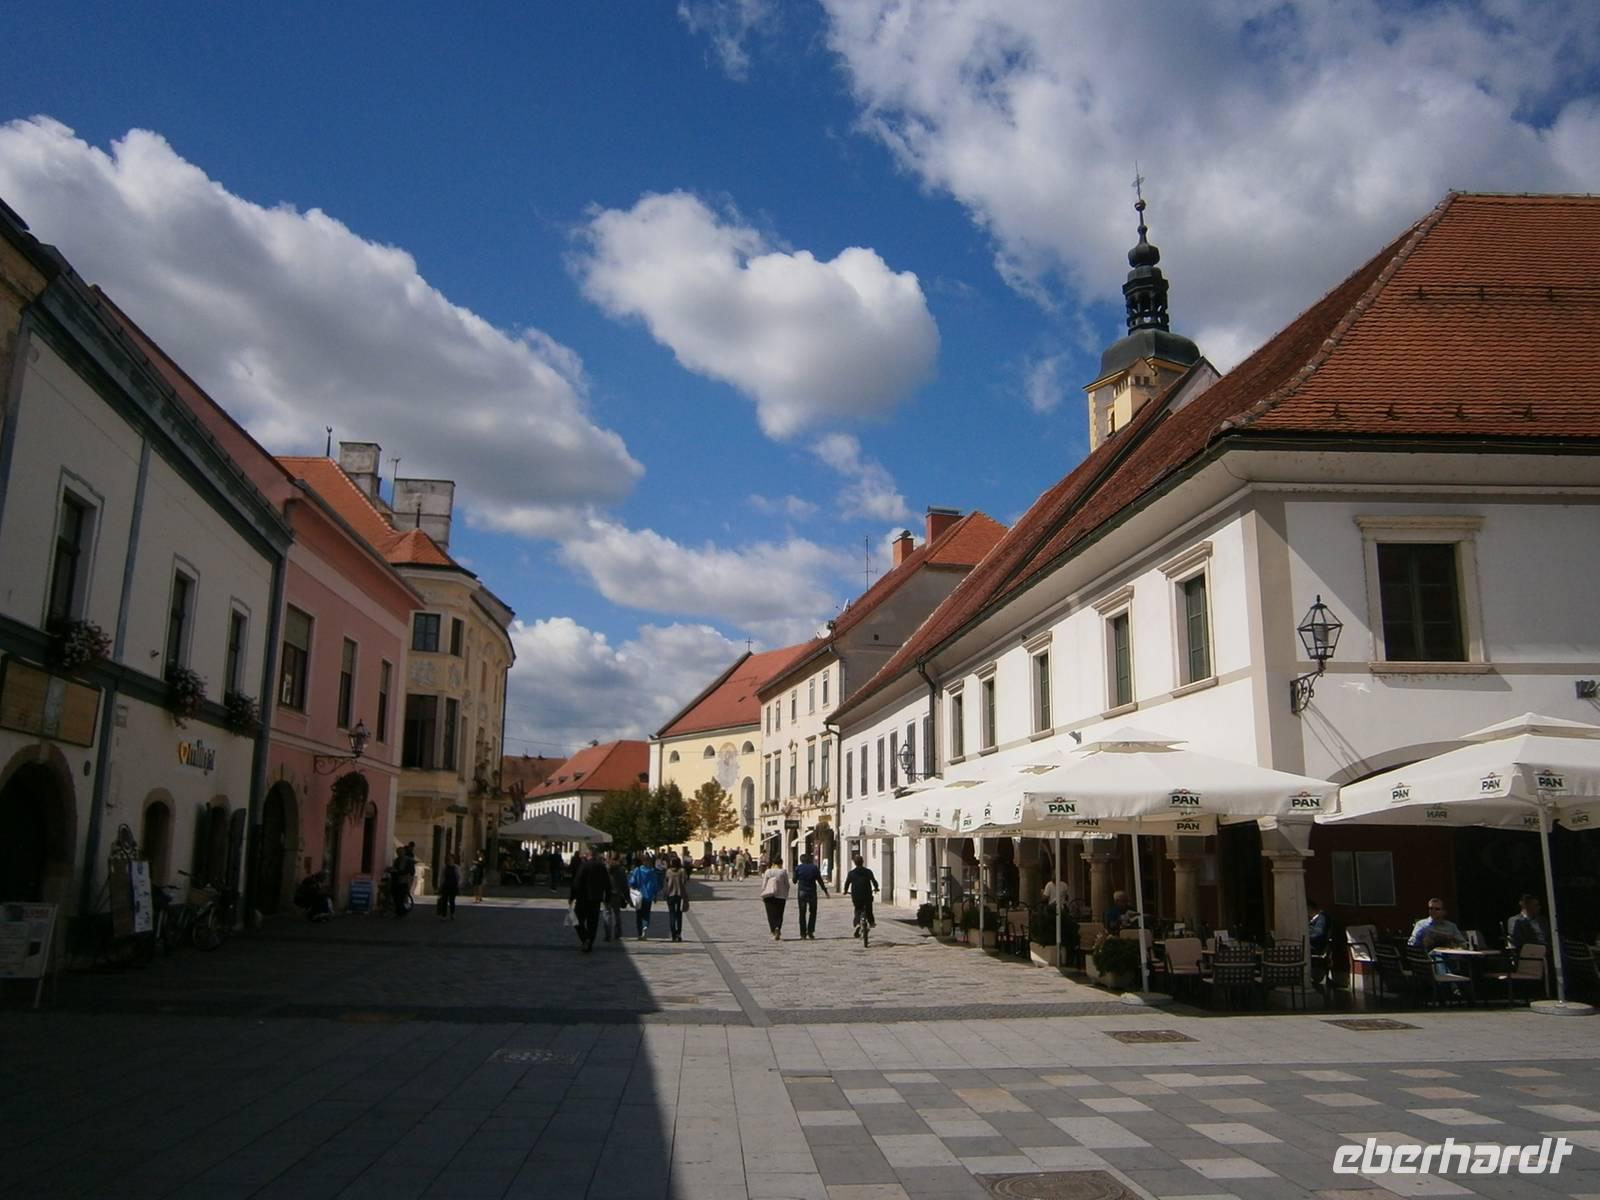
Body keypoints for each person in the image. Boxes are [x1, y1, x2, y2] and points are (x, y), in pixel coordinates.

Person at [569, 848, 611, 953]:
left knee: (577, 920)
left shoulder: (584, 866)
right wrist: (608, 897)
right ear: (595, 856)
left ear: (587, 856)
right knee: (593, 923)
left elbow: (576, 882)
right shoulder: (602, 867)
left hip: (583, 898)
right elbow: (607, 883)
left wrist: (572, 896)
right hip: (596, 899)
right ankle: (589, 943)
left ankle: (585, 938)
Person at [842, 853, 879, 937]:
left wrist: (845, 891)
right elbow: (874, 881)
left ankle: (858, 923)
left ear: (855, 863)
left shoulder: (851, 873)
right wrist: (876, 888)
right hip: (867, 895)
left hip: (856, 896)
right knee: (869, 909)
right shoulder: (868, 871)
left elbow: (847, 883)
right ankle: (871, 922)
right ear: (863, 862)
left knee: (858, 909)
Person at [793, 851, 828, 939]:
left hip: (802, 892)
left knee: (802, 913)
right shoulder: (814, 868)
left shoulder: (798, 868)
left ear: (801, 860)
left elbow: (794, 880)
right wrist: (825, 891)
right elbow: (820, 880)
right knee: (813, 912)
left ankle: (802, 933)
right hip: (812, 892)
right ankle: (810, 931)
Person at [628, 854, 662, 940]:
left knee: (639, 915)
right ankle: (645, 927)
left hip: (639, 896)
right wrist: (655, 895)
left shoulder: (637, 870)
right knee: (646, 914)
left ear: (642, 861)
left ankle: (639, 933)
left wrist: (632, 889)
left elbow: (632, 882)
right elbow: (655, 884)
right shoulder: (652, 871)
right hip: (648, 896)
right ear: (649, 861)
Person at [662, 854, 690, 942]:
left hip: (670, 895)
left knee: (671, 914)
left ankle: (673, 934)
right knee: (679, 915)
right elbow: (685, 881)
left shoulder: (668, 871)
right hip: (680, 895)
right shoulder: (682, 871)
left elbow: (666, 882)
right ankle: (678, 934)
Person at [760, 860, 790, 939]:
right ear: (781, 864)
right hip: (781, 896)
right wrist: (786, 894)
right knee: (779, 914)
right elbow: (787, 884)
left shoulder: (768, 871)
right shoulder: (783, 872)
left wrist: (763, 894)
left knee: (771, 914)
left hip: (769, 895)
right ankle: (778, 927)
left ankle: (773, 930)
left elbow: (764, 885)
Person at [436, 852, 461, 920]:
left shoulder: (456, 867)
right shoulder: (444, 867)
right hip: (446, 886)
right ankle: (444, 915)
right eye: (449, 858)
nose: (450, 860)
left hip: (453, 886)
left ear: (453, 859)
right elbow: (442, 877)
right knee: (444, 901)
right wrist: (440, 886)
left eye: (451, 858)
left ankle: (452, 914)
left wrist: (458, 885)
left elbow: (458, 877)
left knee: (452, 901)